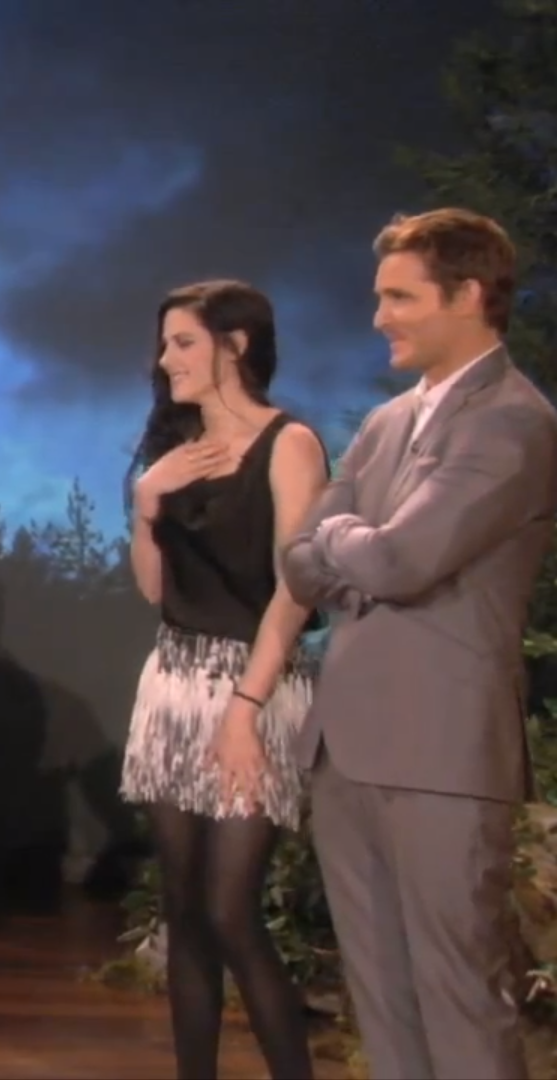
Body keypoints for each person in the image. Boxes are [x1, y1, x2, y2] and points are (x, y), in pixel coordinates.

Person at [282, 208, 557, 1079]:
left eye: (400, 298)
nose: (380, 318)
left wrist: (345, 539)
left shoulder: (512, 420)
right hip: (348, 752)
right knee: (382, 998)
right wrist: (352, 544)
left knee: (459, 996)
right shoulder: (387, 422)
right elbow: (298, 563)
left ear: (468, 295)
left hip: (442, 755)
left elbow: (403, 561)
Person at [119, 279, 330, 1079]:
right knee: (185, 911)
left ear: (235, 346)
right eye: (164, 344)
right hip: (174, 687)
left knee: (229, 910)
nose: (165, 359)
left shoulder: (290, 444)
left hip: (256, 688)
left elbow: (294, 591)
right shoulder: (175, 452)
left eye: (183, 342)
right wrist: (147, 503)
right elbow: (154, 590)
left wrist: (245, 707)